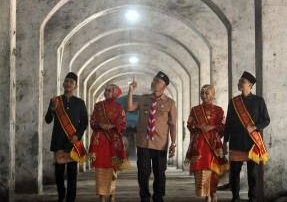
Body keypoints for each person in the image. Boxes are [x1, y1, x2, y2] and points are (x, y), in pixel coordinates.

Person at [127, 71, 177, 202]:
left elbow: (172, 124)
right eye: (154, 80)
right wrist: (131, 92)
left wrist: (174, 144)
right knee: (143, 172)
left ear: (164, 86)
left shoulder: (170, 103)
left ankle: (158, 197)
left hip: (160, 143)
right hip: (143, 142)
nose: (154, 82)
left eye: (158, 81)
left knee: (160, 173)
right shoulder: (143, 99)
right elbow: (130, 108)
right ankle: (144, 197)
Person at [223, 71, 270, 202]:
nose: (239, 83)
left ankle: (253, 198)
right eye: (239, 81)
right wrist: (225, 141)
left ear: (250, 85)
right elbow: (228, 123)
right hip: (236, 141)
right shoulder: (233, 102)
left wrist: (254, 127)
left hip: (252, 143)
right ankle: (235, 197)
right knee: (235, 172)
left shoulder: (259, 101)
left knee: (253, 174)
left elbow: (266, 120)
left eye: (242, 81)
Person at [45, 72, 88, 202]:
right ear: (63, 83)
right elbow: (47, 120)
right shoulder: (55, 101)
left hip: (73, 143)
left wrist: (77, 136)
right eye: (67, 81)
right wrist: (52, 109)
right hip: (58, 142)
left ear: (75, 86)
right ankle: (61, 195)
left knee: (72, 173)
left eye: (72, 82)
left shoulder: (80, 103)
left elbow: (84, 122)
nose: (69, 83)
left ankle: (71, 198)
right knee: (58, 173)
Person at [185, 84, 229, 202]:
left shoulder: (219, 110)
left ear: (213, 95)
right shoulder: (195, 110)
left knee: (213, 169)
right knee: (200, 168)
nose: (203, 96)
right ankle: (205, 195)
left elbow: (223, 125)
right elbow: (189, 124)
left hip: (213, 145)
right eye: (202, 93)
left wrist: (212, 127)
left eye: (206, 93)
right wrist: (198, 126)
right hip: (199, 145)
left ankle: (213, 192)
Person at [89, 84, 130, 202]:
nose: (106, 92)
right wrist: (100, 124)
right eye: (105, 90)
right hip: (100, 141)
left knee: (113, 168)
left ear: (115, 93)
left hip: (114, 141)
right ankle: (102, 196)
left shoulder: (119, 107)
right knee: (100, 169)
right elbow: (92, 120)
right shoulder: (98, 106)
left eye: (109, 90)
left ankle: (112, 193)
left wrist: (113, 125)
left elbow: (123, 124)